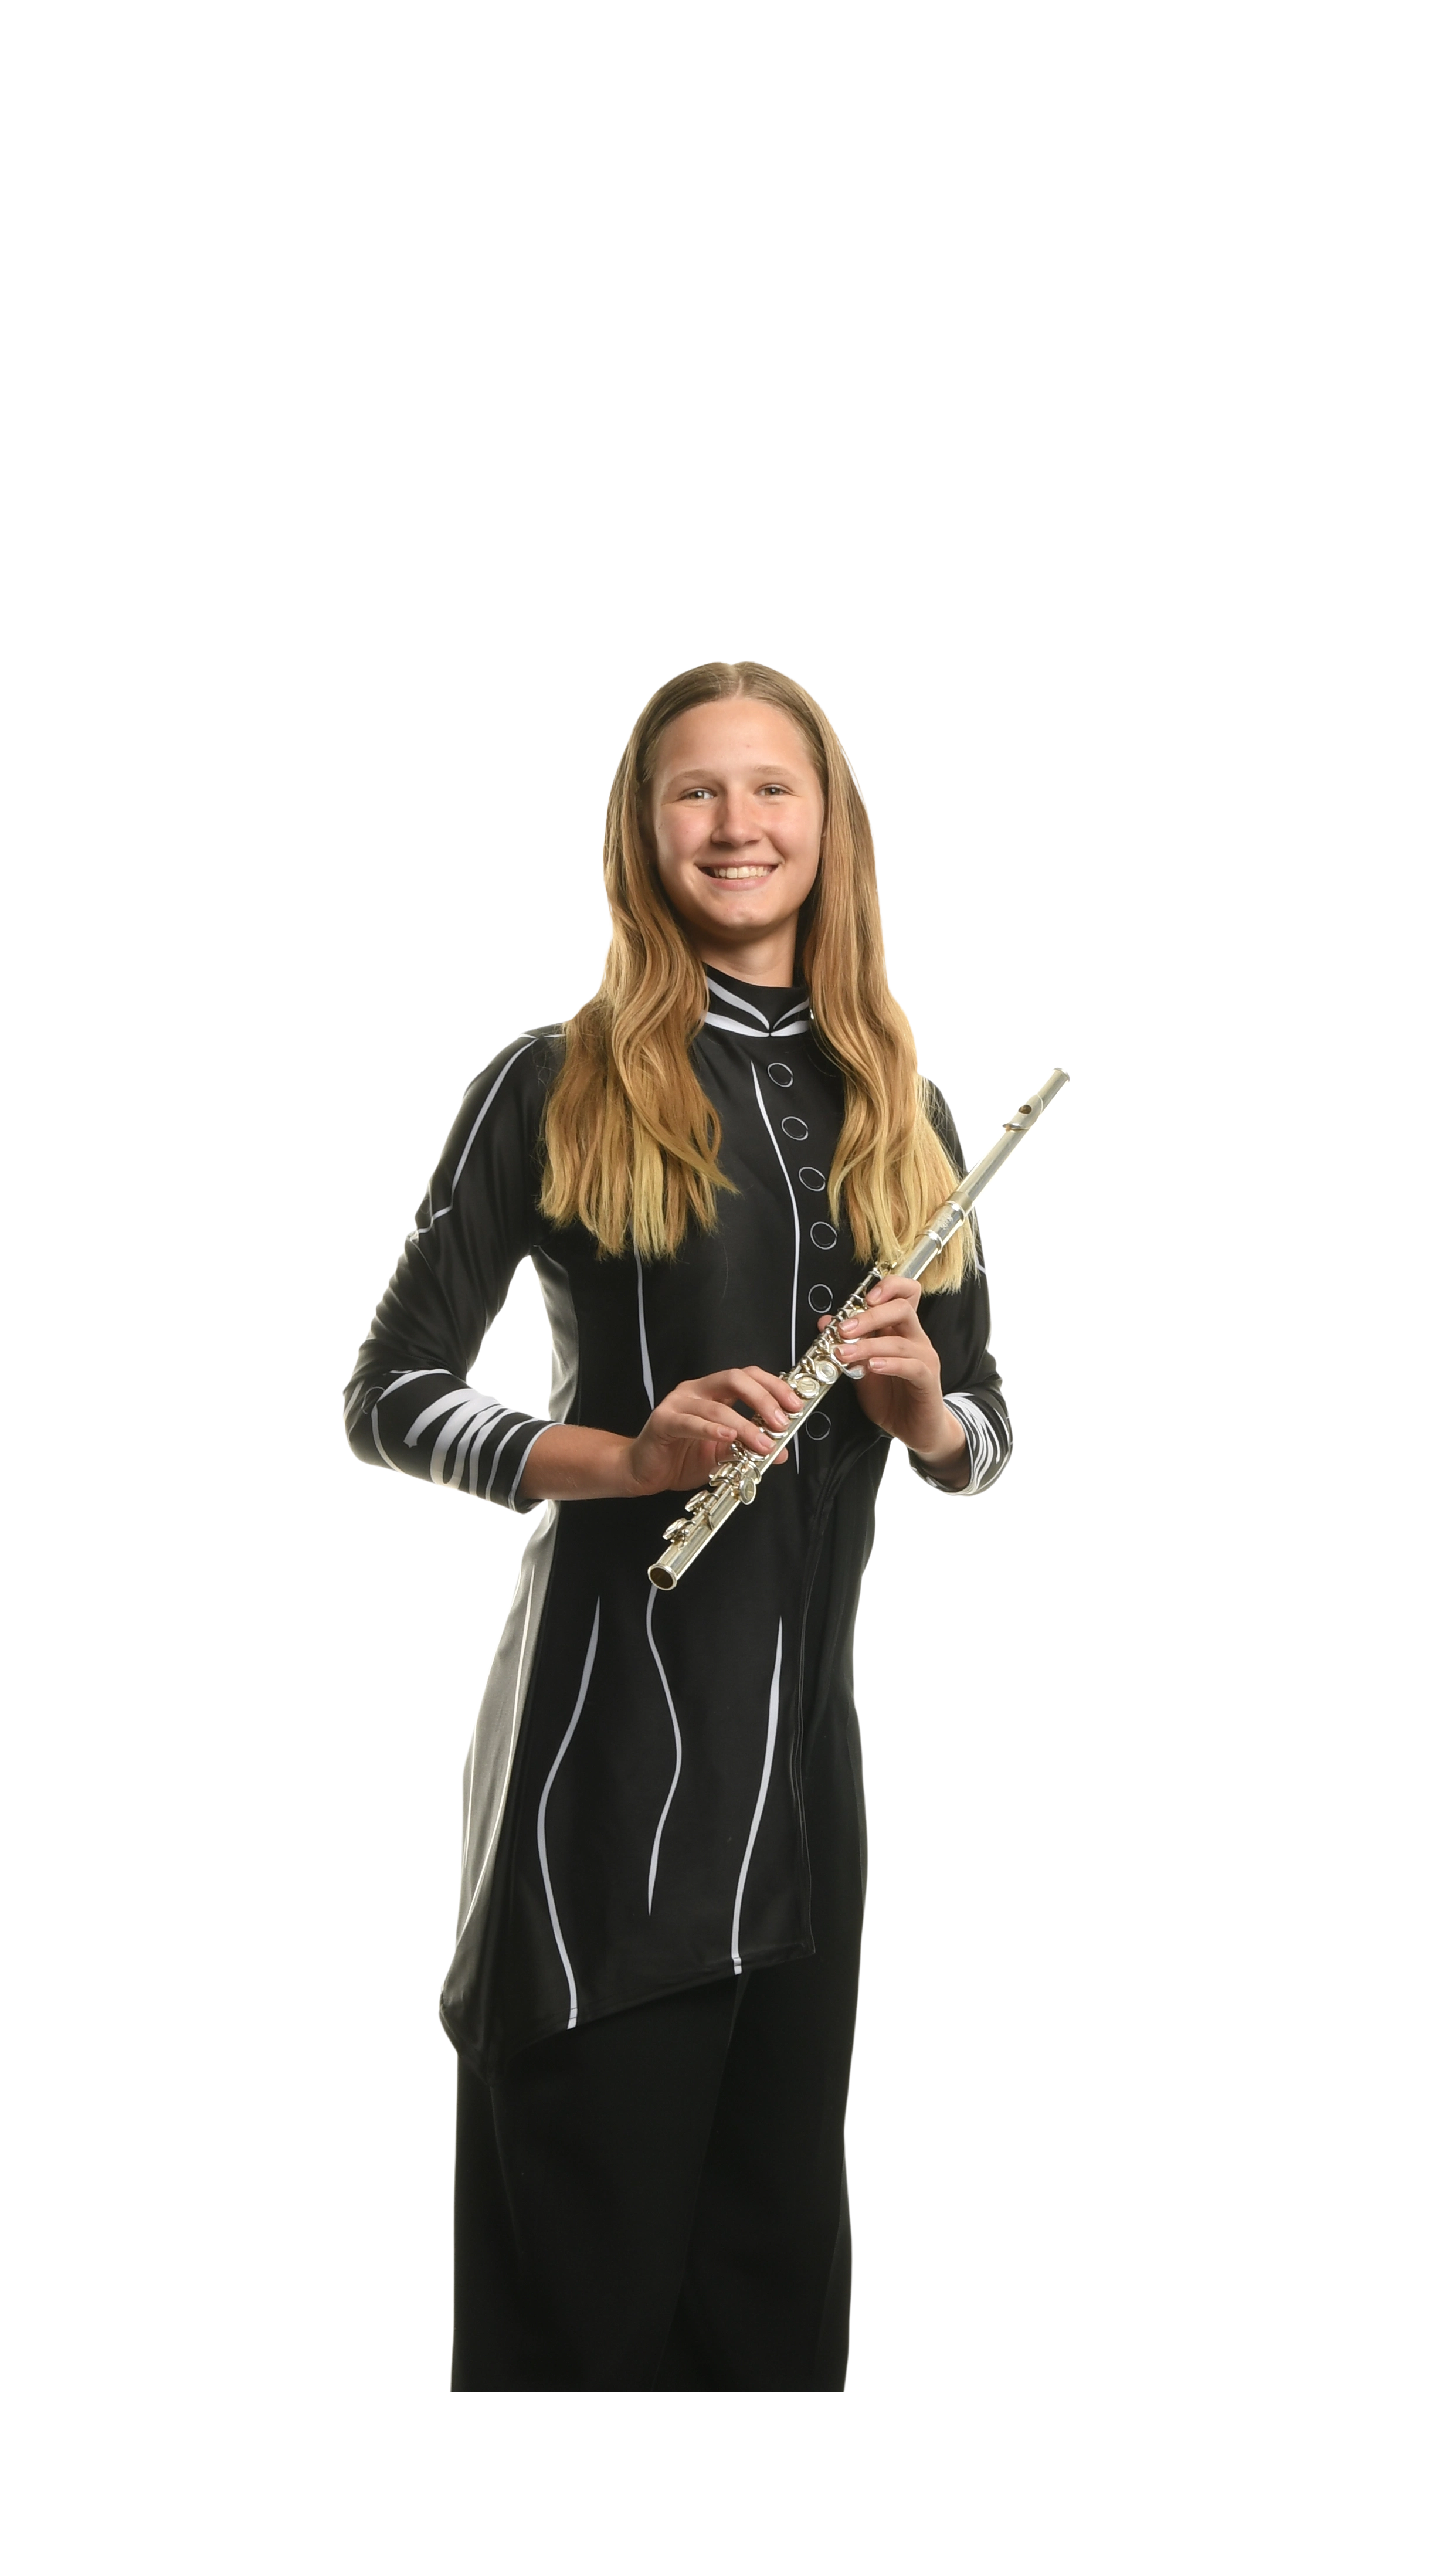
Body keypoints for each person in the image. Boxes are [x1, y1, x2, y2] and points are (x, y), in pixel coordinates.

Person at [343, 661, 1013, 2401]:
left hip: (806, 1802)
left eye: (773, 787)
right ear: (637, 831)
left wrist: (921, 1408)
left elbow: (987, 1429)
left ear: (834, 823)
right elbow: (391, 1394)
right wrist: (627, 1459)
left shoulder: (907, 1108)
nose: (737, 825)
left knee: (772, 2337)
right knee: (580, 2340)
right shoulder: (552, 1082)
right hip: (606, 1792)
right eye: (694, 790)